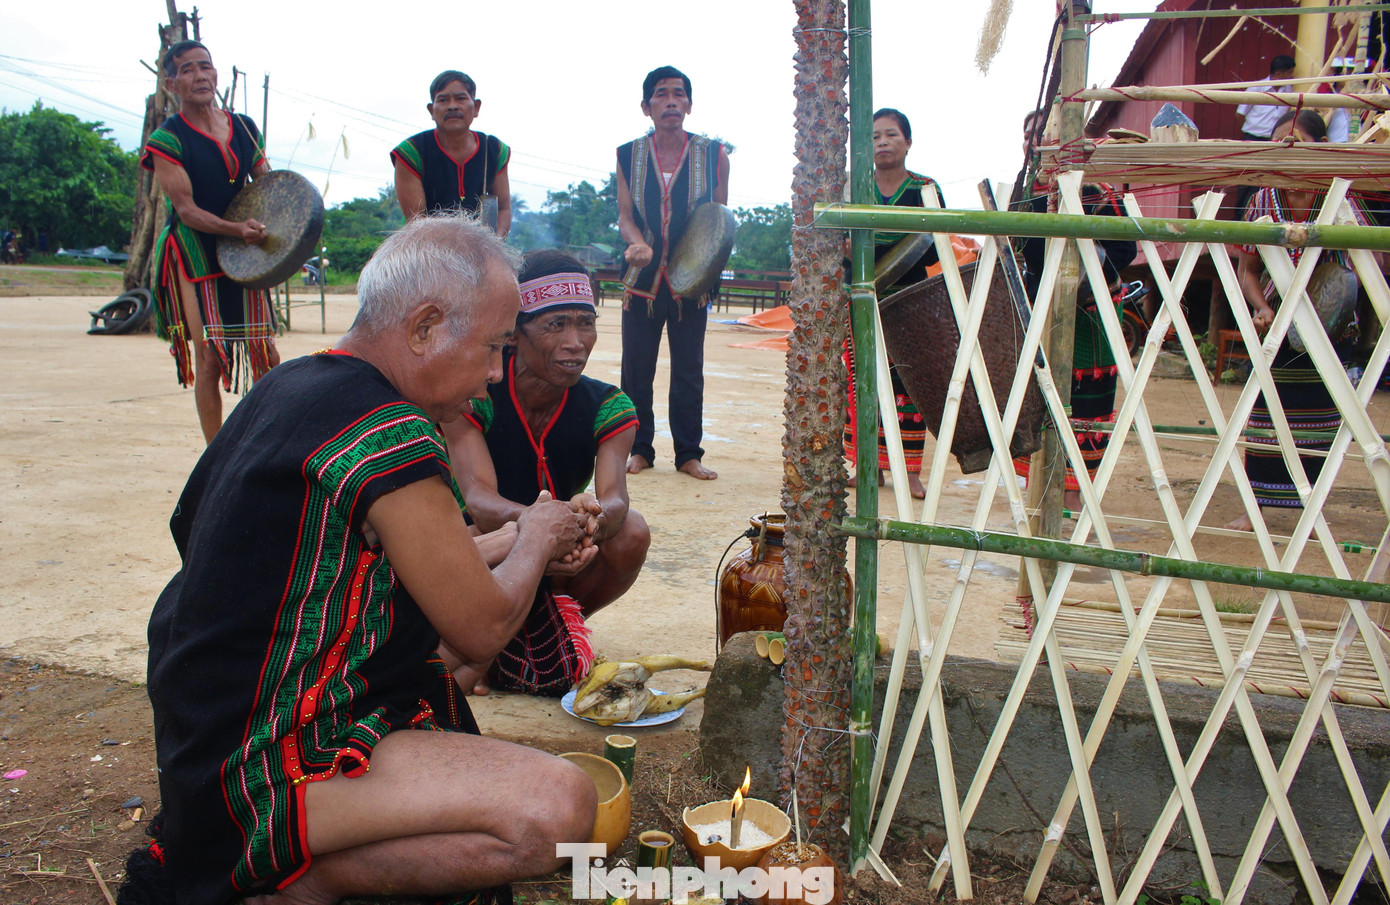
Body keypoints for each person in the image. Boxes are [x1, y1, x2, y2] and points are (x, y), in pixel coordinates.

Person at [133, 213, 597, 905]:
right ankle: (301, 876)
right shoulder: (391, 431)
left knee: (435, 657)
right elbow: (481, 626)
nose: (496, 375)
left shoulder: (291, 387)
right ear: (424, 327)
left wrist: (529, 535)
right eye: (495, 346)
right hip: (261, 764)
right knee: (562, 811)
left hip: (202, 736)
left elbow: (376, 561)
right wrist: (534, 535)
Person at [443, 249, 650, 696]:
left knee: (630, 531)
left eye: (585, 322)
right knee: (479, 525)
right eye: (556, 325)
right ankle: (485, 639)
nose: (576, 341)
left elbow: (615, 498)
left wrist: (590, 518)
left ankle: (543, 633)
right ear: (515, 334)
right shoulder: (474, 394)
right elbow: (477, 497)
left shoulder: (608, 405)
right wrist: (543, 528)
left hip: (560, 549)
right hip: (481, 549)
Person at [1225, 110, 1368, 532]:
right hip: (1280, 326)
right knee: (1266, 420)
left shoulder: (1339, 198)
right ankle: (1257, 511)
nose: (1287, 149)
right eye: (1279, 140)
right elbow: (1248, 272)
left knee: (1321, 423)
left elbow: (1364, 266)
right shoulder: (1264, 200)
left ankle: (1312, 508)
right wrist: (1262, 308)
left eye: (1295, 140)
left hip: (1331, 327)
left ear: (1319, 146)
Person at [141, 40, 281, 445]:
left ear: (216, 74)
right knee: (209, 355)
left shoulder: (243, 127)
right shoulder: (167, 140)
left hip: (245, 247)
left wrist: (282, 224)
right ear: (172, 83)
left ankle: (272, 440)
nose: (200, 76)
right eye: (188, 70)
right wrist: (237, 230)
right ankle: (215, 454)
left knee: (264, 351)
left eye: (206, 66)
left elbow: (267, 182)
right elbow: (186, 210)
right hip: (196, 251)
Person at [1012, 109, 1138, 510]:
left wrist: (1082, 265)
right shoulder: (1025, 191)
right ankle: (1040, 494)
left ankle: (1073, 497)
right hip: (1039, 305)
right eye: (1031, 134)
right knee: (1039, 397)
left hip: (1091, 310)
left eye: (1048, 133)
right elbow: (1018, 247)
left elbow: (1125, 248)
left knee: (1086, 402)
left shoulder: (1097, 190)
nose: (1039, 140)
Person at [615, 65, 730, 481]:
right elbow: (626, 215)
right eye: (661, 95)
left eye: (678, 94)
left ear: (689, 105)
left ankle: (688, 454)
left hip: (691, 282)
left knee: (688, 370)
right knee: (637, 369)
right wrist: (635, 243)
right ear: (646, 107)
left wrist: (706, 270)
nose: (671, 102)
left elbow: (717, 221)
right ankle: (639, 449)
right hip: (642, 280)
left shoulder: (714, 155)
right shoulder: (628, 154)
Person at [843, 108, 944, 500]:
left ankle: (910, 471)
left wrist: (876, 250)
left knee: (909, 384)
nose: (882, 142)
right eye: (874, 136)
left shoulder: (925, 189)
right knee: (862, 380)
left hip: (911, 299)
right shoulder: (853, 188)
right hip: (861, 297)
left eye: (891, 135)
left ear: (908, 142)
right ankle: (865, 466)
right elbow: (839, 245)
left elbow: (932, 245)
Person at [392, 70, 512, 237]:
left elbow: (503, 209)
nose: (452, 106)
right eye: (443, 100)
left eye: (461, 98)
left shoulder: (494, 150)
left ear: (476, 107)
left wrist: (493, 247)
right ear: (431, 110)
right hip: (429, 249)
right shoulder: (411, 152)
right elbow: (417, 221)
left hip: (483, 249)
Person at [1236, 55, 1296, 142]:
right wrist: (1251, 130)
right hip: (1253, 137)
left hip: (1276, 139)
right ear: (1278, 74)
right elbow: (1240, 114)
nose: (1292, 75)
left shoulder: (1289, 90)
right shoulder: (1256, 88)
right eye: (1290, 72)